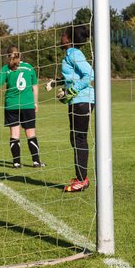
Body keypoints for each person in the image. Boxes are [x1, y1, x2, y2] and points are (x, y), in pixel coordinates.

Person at [58, 24, 95, 193]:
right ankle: (81, 176)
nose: (61, 37)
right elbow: (73, 76)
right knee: (75, 138)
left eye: (63, 34)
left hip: (82, 100)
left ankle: (81, 180)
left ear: (69, 38)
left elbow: (90, 74)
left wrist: (73, 89)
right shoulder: (70, 54)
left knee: (79, 138)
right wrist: (59, 83)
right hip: (76, 100)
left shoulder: (74, 53)